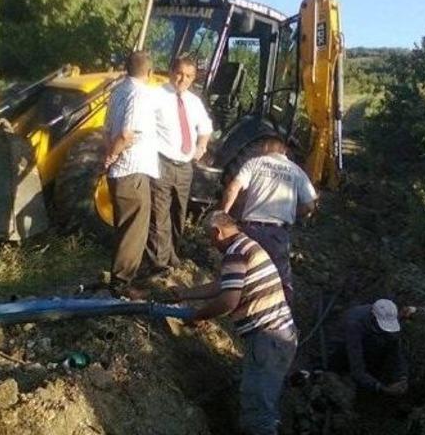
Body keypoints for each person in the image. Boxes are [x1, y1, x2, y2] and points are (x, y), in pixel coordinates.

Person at [170, 211, 297, 435]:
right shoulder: (245, 246)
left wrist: (198, 316)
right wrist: (185, 294)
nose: (211, 243)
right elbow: (222, 285)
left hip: (268, 338)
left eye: (209, 237)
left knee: (258, 415)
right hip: (281, 335)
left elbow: (229, 300)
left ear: (217, 232)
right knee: (265, 405)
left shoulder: (235, 252)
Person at [220, 136, 317, 303]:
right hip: (278, 235)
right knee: (280, 281)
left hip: (251, 231)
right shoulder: (296, 171)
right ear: (284, 151)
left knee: (237, 275)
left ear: (265, 147)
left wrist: (224, 214)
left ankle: (224, 310)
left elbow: (232, 188)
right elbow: (310, 205)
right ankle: (283, 320)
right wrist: (291, 212)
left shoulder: (255, 163)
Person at [147, 56, 213, 273]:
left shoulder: (193, 102)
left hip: (185, 168)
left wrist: (201, 146)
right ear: (170, 71)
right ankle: (158, 263)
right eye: (179, 73)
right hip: (161, 163)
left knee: (178, 213)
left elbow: (205, 128)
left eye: (189, 76)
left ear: (193, 78)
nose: (183, 79)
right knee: (159, 215)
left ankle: (173, 256)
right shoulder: (155, 95)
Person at [104, 50, 158, 293]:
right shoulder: (140, 95)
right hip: (133, 169)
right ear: (149, 72)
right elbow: (127, 133)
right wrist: (114, 154)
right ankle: (123, 285)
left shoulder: (118, 92)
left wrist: (110, 157)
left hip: (118, 171)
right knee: (134, 230)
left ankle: (118, 276)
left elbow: (108, 131)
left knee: (123, 226)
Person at [326, 299, 409, 396]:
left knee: (384, 343)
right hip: (343, 344)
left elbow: (396, 351)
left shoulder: (388, 316)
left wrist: (402, 377)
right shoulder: (354, 323)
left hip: (368, 335)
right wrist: (379, 387)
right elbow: (357, 368)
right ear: (373, 317)